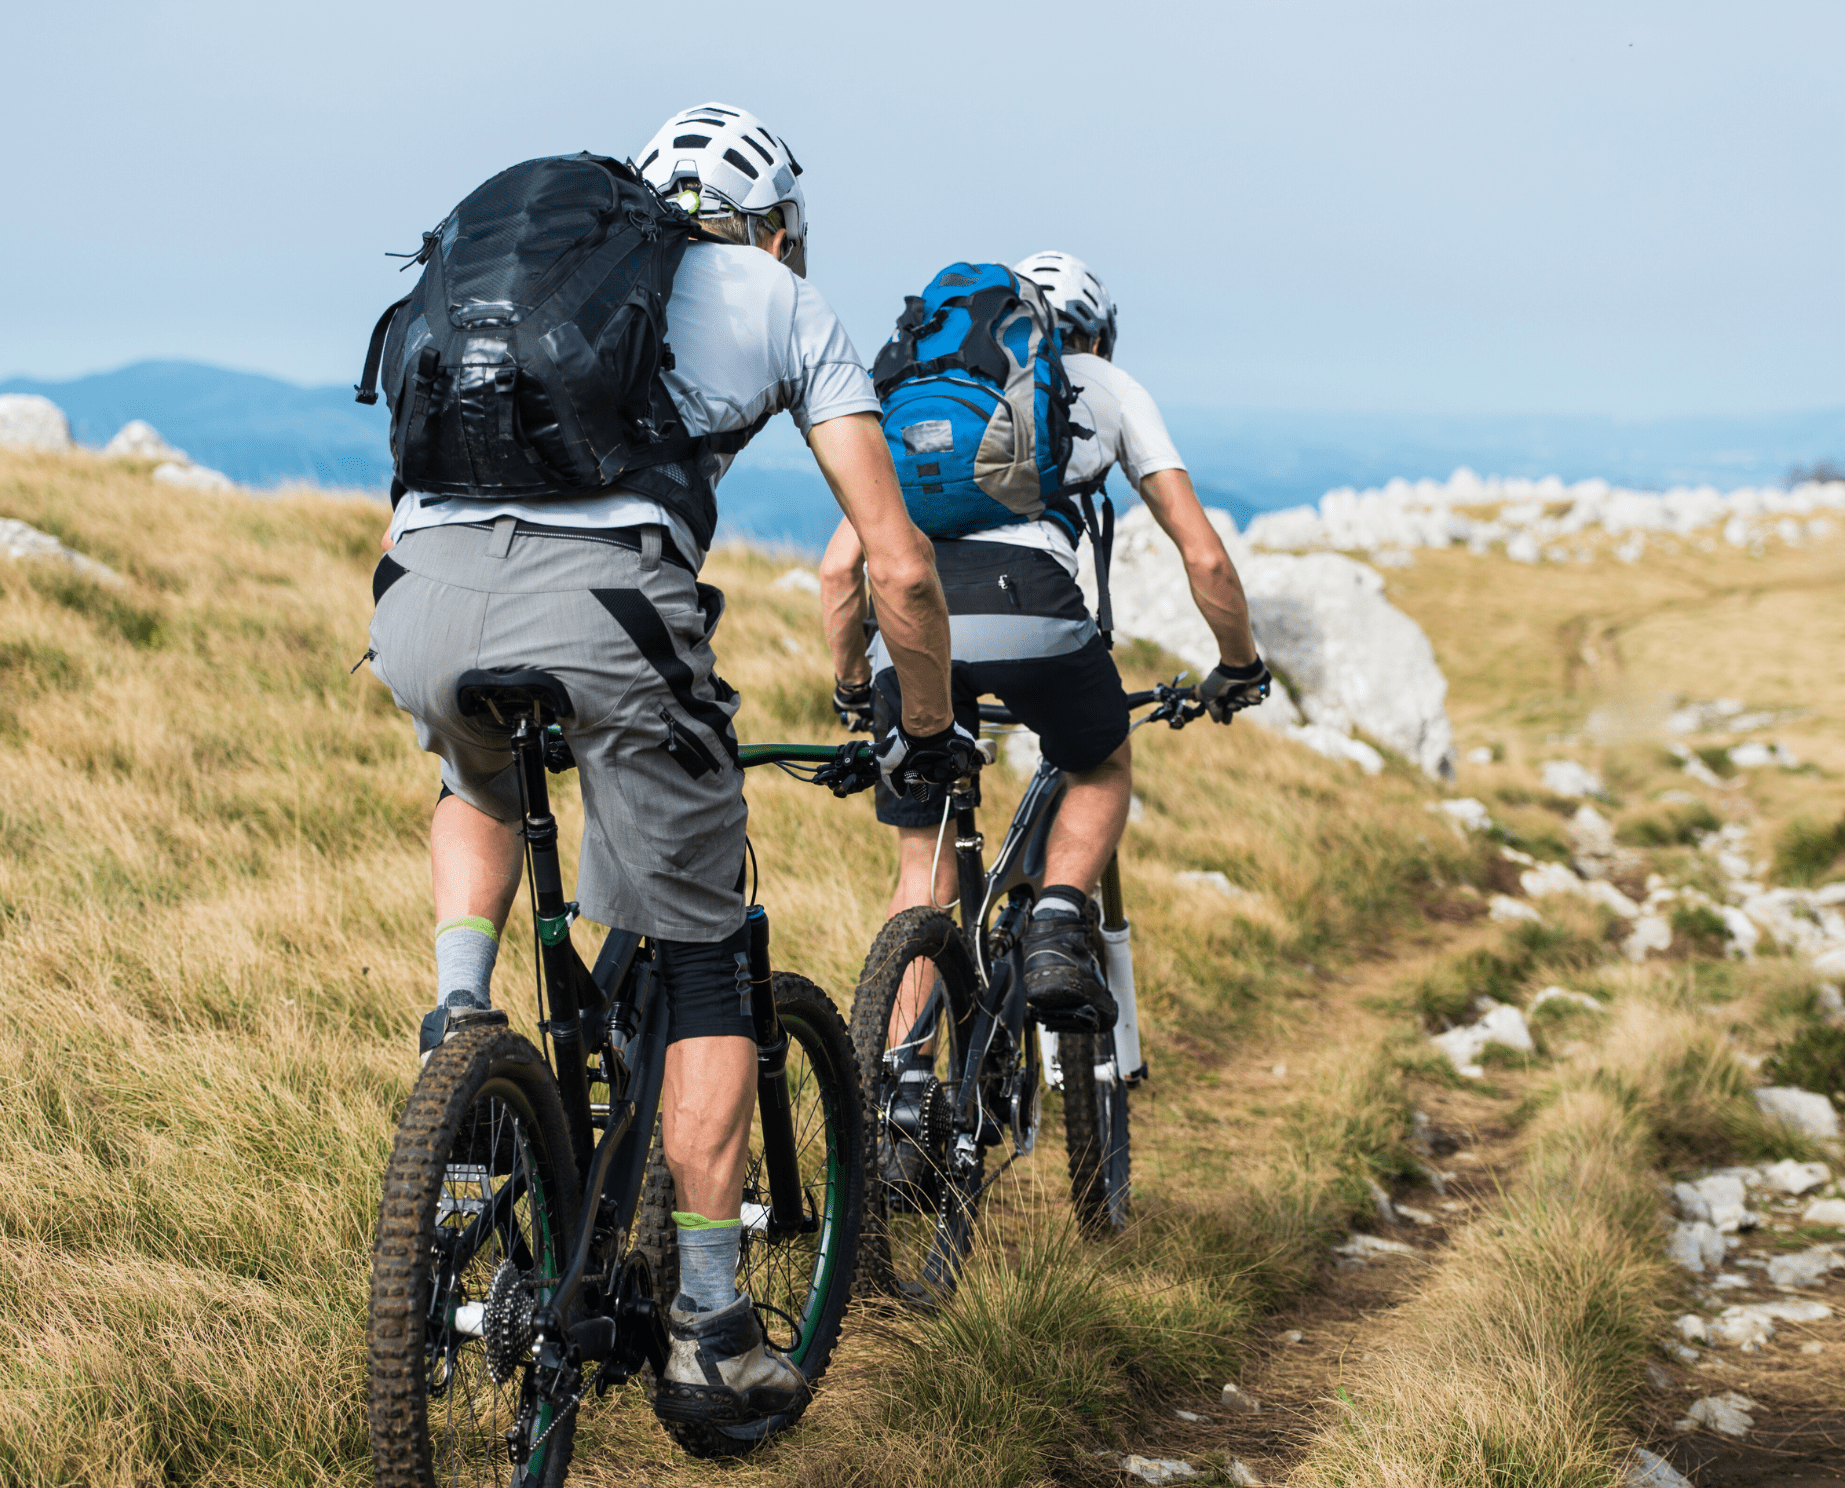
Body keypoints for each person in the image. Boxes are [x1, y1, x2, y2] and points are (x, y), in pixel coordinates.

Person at [368, 103, 970, 1435]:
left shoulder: (517, 278)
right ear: (773, 225)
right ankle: (707, 1326)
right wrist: (919, 734)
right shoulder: (774, 296)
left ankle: (459, 1018)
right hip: (606, 616)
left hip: (415, 604)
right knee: (705, 956)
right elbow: (900, 565)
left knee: (476, 777)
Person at [819, 249, 1269, 1046]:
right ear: (1094, 338)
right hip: (1035, 613)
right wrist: (1239, 664)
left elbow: (836, 571)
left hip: (909, 624)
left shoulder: (932, 394)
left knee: (921, 869)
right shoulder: (1106, 386)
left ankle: (896, 1086)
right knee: (1100, 761)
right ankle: (1059, 921)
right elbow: (1203, 555)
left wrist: (855, 683)